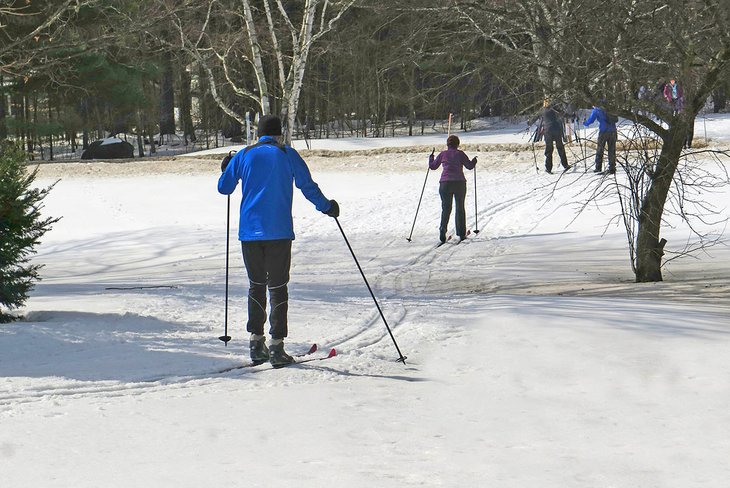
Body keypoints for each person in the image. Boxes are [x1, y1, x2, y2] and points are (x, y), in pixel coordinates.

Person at [218, 115, 339, 367]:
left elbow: (224, 188)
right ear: (279, 134)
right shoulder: (287, 154)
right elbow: (307, 186)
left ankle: (255, 342)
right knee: (278, 287)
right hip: (279, 232)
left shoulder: (244, 154)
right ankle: (276, 347)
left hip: (249, 233)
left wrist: (227, 166)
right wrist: (327, 207)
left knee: (256, 286)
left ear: (259, 134)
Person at [429, 135, 477, 243]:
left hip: (445, 183)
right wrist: (474, 161)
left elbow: (432, 166)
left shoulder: (443, 154)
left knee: (446, 208)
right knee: (460, 207)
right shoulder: (460, 154)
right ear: (457, 144)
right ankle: (461, 233)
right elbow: (469, 166)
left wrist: (431, 158)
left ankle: (442, 229)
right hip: (459, 182)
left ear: (447, 144)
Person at [528, 99, 570, 174]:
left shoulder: (542, 110)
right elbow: (563, 114)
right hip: (556, 130)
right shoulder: (554, 109)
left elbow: (534, 118)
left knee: (549, 149)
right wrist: (571, 116)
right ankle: (565, 165)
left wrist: (529, 122)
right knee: (560, 147)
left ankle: (548, 168)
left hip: (548, 131)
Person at [584, 102, 618, 174]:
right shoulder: (610, 107)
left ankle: (598, 167)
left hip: (603, 131)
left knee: (600, 149)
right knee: (612, 150)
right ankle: (612, 167)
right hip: (613, 131)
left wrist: (585, 123)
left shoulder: (597, 110)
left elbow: (591, 120)